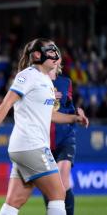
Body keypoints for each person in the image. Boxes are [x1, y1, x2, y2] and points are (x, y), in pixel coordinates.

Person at [0, 38, 89, 215]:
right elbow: (7, 102)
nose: (55, 54)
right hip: (32, 146)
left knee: (14, 201)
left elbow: (50, 115)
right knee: (58, 193)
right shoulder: (28, 75)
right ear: (36, 55)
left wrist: (74, 118)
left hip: (25, 148)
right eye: (49, 51)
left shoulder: (46, 82)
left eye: (55, 50)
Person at [44, 59, 78, 215]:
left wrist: (78, 113)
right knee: (50, 186)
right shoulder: (37, 81)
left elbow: (69, 107)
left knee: (62, 178)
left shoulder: (66, 82)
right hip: (44, 141)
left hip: (65, 137)